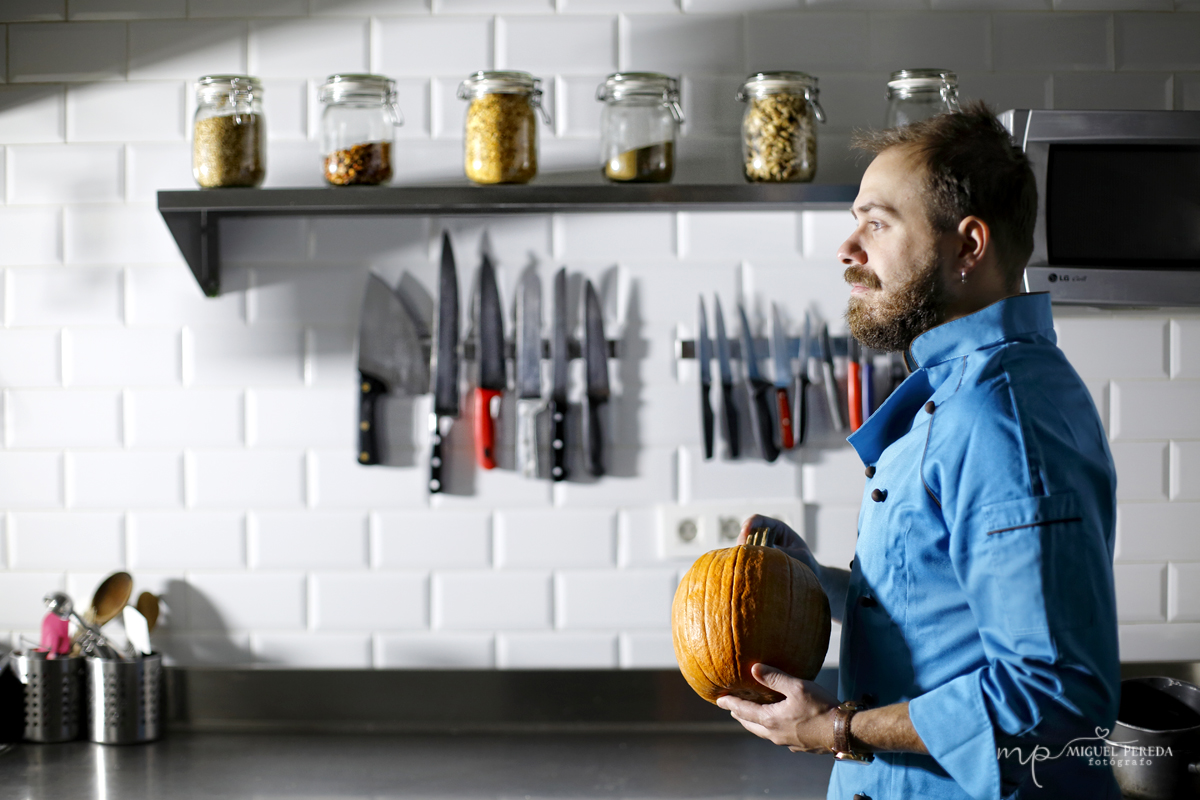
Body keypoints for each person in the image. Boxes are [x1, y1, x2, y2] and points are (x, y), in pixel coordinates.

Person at [717, 102, 1121, 800]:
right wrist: (814, 584)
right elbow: (937, 605)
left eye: (877, 221)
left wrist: (838, 729)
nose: (848, 248)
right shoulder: (959, 393)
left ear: (968, 246)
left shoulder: (1002, 419)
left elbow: (1053, 697)